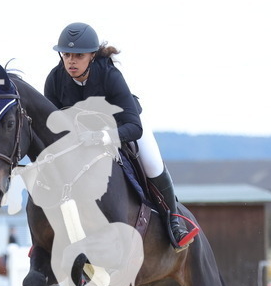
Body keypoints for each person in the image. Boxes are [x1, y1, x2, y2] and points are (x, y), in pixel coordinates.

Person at [44, 22, 199, 251]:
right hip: (81, 137)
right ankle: (48, 235)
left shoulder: (109, 75)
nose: (71, 61)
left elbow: (134, 127)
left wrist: (102, 137)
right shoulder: (55, 79)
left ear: (92, 55)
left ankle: (173, 223)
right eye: (66, 54)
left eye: (78, 55)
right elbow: (52, 124)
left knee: (152, 164)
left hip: (123, 126)